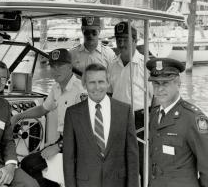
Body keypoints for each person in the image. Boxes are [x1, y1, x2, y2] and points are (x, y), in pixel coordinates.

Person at [11, 48, 87, 187]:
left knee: (31, 166)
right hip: (63, 141)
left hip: (78, 146)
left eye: (60, 66)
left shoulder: (80, 91)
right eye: (53, 66)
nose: (55, 70)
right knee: (27, 163)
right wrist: (18, 116)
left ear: (70, 67)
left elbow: (84, 130)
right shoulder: (57, 87)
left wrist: (57, 147)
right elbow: (42, 109)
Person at [63, 63, 139, 187]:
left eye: (101, 81)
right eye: (92, 82)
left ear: (108, 82)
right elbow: (68, 159)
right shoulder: (72, 114)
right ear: (84, 84)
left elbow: (132, 156)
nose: (97, 87)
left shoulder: (125, 111)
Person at [146, 58, 208, 187]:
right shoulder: (154, 114)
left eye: (165, 83)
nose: (159, 89)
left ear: (178, 83)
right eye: (156, 84)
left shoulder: (193, 118)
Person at [107, 21, 153, 180]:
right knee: (120, 163)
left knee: (141, 162)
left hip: (140, 120)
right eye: (118, 39)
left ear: (135, 40)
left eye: (125, 39)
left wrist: (151, 123)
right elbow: (109, 93)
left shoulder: (146, 64)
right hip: (117, 118)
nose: (121, 43)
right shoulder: (112, 65)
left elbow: (156, 99)